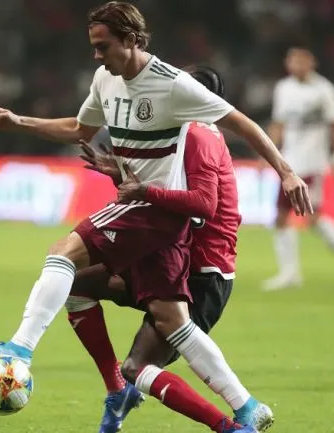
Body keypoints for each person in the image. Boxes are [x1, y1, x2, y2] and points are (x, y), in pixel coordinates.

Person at [0, 3, 311, 432]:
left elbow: (241, 125)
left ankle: (20, 348)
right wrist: (20, 122)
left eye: (102, 46)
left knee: (64, 254)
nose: (95, 55)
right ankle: (242, 411)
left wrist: (287, 171)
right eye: (92, 46)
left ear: (131, 39)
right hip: (164, 228)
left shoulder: (178, 93)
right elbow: (79, 128)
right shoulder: (105, 79)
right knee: (169, 323)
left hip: (162, 221)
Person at [65, 66, 274, 433]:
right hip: (170, 260)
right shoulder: (187, 134)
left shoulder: (197, 135)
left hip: (201, 273)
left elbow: (201, 205)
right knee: (76, 283)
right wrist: (121, 176)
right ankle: (118, 391)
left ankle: (235, 420)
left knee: (138, 367)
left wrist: (141, 191)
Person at [262, 45, 334, 291]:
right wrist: (269, 151)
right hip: (289, 162)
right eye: (292, 60)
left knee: (313, 218)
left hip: (313, 162)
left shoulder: (324, 90)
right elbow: (279, 123)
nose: (296, 65)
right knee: (282, 216)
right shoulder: (283, 89)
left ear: (311, 63)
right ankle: (290, 273)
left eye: (301, 61)